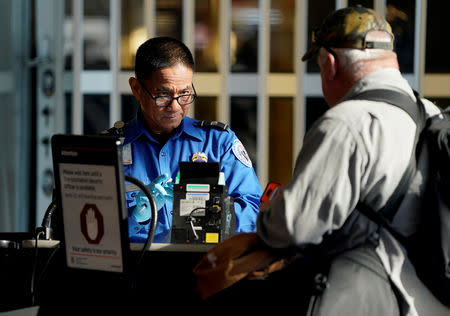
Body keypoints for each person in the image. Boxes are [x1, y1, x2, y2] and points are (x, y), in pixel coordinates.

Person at [255, 6, 449, 315]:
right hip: (429, 299)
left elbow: (292, 227)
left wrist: (266, 212)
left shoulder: (346, 122)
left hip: (366, 300)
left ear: (330, 64)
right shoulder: (429, 113)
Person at [106, 36, 262, 243]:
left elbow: (254, 211)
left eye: (185, 94)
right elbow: (88, 228)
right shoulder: (109, 150)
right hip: (136, 269)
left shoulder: (218, 144)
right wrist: (135, 219)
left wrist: (207, 216)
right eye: (162, 95)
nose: (176, 107)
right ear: (136, 89)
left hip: (201, 267)